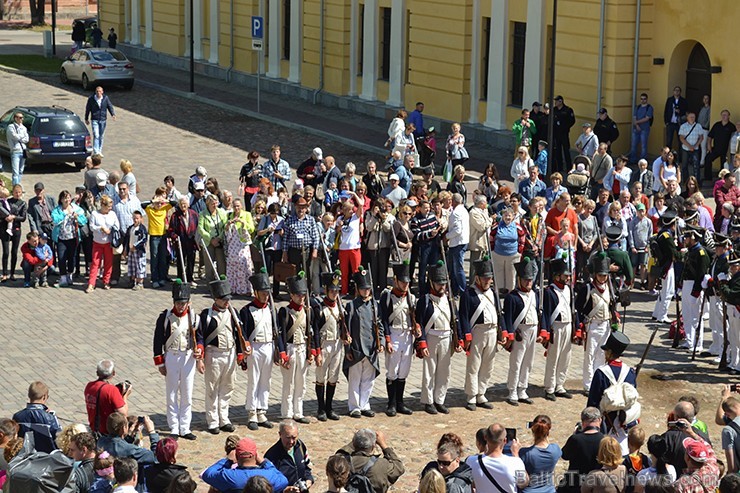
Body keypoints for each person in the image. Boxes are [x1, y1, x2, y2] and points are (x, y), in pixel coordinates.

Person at [197, 277, 246, 434]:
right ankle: (212, 421)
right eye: (223, 299)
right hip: (214, 354)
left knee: (228, 387)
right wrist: (200, 358)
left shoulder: (233, 313)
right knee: (212, 388)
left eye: (228, 299)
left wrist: (241, 353)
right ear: (216, 299)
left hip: (229, 353)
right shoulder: (206, 315)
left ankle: (224, 418)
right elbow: (200, 337)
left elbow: (239, 334)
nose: (227, 302)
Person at [153, 280, 201, 440]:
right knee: (172, 393)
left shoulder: (194, 317)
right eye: (178, 303)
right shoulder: (165, 317)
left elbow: (199, 338)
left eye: (183, 303)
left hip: (188, 357)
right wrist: (160, 362)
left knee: (187, 393)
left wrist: (199, 349)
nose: (180, 306)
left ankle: (185, 427)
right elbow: (157, 340)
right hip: (171, 356)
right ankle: (174, 426)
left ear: (188, 302)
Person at [415, 261, 459, 414]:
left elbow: (455, 320)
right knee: (430, 371)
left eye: (444, 284)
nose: (442, 287)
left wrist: (458, 340)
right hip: (431, 337)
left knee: (444, 372)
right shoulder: (424, 301)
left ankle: (439, 400)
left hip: (447, 337)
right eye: (439, 284)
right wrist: (422, 343)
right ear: (432, 283)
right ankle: (428, 401)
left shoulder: (450, 300)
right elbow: (419, 323)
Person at [587, 332, 638, 455]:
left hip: (605, 421)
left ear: (609, 352)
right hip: (624, 420)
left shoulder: (601, 372)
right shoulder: (630, 372)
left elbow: (593, 402)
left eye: (606, 351)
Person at [378, 261, 417, 417]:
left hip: (407, 335)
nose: (405, 284)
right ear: (395, 280)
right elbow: (384, 319)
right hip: (393, 334)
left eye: (407, 282)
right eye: (403, 281)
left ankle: (400, 402)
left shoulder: (411, 298)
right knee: (392, 370)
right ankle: (391, 403)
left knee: (404, 370)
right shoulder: (387, 296)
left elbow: (414, 317)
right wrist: (386, 339)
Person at [343, 267, 383, 417]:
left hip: (371, 348)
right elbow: (345, 330)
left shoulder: (374, 305)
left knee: (368, 379)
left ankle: (365, 404)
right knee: (355, 379)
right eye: (362, 289)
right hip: (357, 349)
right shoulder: (351, 305)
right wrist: (348, 350)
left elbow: (379, 326)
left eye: (367, 289)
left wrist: (382, 343)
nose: (365, 292)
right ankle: (354, 406)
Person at [459, 256, 497, 411]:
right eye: (484, 278)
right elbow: (464, 316)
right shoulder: (468, 294)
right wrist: (467, 335)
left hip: (492, 331)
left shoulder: (492, 293)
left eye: (489, 278)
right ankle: (471, 395)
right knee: (474, 365)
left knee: (488, 365)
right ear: (477, 278)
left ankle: (481, 393)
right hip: (477, 332)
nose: (487, 281)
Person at [502, 258, 541, 406]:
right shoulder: (512, 297)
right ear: (519, 280)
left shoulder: (535, 295)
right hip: (520, 330)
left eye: (530, 280)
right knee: (516, 362)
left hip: (533, 328)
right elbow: (508, 317)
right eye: (525, 280)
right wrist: (510, 333)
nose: (528, 283)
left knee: (528, 362)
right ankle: (512, 390)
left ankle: (522, 389)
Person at [276, 272, 312, 423]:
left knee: (301, 382)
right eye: (298, 295)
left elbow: (310, 332)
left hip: (302, 348)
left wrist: (312, 351)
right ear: (292, 295)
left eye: (303, 295)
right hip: (290, 348)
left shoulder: (307, 311)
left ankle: (299, 411)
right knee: (288, 383)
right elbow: (281, 334)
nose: (301, 298)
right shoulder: (284, 312)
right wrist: (283, 353)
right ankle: (287, 412)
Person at [311, 270, 346, 422]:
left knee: (333, 377)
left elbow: (343, 325)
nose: (334, 294)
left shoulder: (340, 306)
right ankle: (320, 408)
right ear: (326, 290)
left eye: (337, 291)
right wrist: (317, 351)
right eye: (332, 291)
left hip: (337, 344)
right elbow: (316, 331)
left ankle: (329, 407)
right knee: (321, 377)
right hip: (324, 345)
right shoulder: (320, 308)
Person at [576, 253, 613, 392]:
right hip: (592, 325)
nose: (603, 278)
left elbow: (611, 305)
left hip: (605, 325)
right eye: (600, 275)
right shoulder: (587, 288)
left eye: (605, 275)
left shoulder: (610, 287)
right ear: (595, 274)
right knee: (589, 356)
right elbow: (579, 308)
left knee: (601, 356)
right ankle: (588, 385)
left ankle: (598, 383)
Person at [202, 437, 289, 493]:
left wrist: (228, 460)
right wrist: (264, 462)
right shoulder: (269, 475)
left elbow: (207, 474)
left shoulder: (228, 475)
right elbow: (284, 481)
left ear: (236, 456)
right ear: (255, 455)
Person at [541, 258, 574, 401]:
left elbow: (574, 310)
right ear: (557, 276)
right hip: (556, 327)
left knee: (565, 357)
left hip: (568, 325)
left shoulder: (568, 290)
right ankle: (549, 387)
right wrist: (546, 331)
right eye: (564, 275)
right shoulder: (549, 292)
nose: (567, 278)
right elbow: (547, 313)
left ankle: (560, 385)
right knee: (553, 358)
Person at [336, 429, 405, 493]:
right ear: (373, 446)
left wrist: (357, 439)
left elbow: (337, 455)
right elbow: (399, 467)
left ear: (354, 443)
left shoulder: (341, 462)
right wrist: (383, 445)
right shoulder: (382, 465)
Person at [465, 424, 528, 493]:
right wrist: (515, 454)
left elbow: (469, 485)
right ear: (505, 441)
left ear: (485, 437)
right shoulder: (515, 462)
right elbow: (522, 484)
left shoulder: (471, 461)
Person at [679, 225, 710, 351]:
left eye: (687, 237)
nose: (685, 239)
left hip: (694, 286)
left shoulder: (701, 253)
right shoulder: (691, 251)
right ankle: (689, 340)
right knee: (686, 315)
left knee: (696, 316)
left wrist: (696, 292)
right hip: (687, 284)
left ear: (693, 237)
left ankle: (698, 343)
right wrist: (680, 285)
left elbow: (701, 275)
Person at [12, 381, 61, 453]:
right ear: (44, 397)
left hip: (24, 457)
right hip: (47, 458)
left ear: (29, 395)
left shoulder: (17, 417)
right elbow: (59, 440)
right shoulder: (50, 418)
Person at [264, 421, 315, 491]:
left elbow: (306, 466)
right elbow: (267, 484)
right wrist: (285, 490)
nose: (291, 442)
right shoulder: (271, 456)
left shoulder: (300, 446)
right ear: (280, 434)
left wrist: (309, 479)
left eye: (294, 438)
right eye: (288, 438)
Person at [84, 360, 129, 435]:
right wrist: (125, 396)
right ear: (113, 373)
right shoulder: (111, 390)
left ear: (97, 373)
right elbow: (123, 414)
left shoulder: (89, 386)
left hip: (94, 430)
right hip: (109, 433)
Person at [519, 415, 561, 493]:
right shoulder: (555, 449)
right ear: (549, 429)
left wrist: (515, 454)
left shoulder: (524, 453)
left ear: (533, 429)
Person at [86, 195, 119, 293]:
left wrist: (111, 230)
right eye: (108, 206)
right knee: (95, 263)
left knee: (108, 263)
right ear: (103, 205)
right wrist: (100, 228)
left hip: (108, 243)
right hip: (97, 242)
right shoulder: (95, 214)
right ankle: (91, 284)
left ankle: (106, 281)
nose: (110, 209)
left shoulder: (112, 214)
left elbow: (117, 225)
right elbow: (91, 227)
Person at [85, 87, 116, 157]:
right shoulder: (91, 99)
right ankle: (96, 151)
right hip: (94, 119)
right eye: (97, 92)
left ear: (102, 92)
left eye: (100, 91)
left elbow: (109, 106)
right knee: (96, 135)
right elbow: (88, 109)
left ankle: (99, 150)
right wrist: (86, 118)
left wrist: (113, 114)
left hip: (103, 119)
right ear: (95, 92)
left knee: (101, 136)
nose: (98, 93)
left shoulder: (105, 98)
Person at [552, 95, 576, 173]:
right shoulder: (554, 110)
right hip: (556, 133)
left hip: (564, 133)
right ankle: (560, 167)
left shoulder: (568, 110)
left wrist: (565, 127)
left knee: (566, 150)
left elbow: (572, 121)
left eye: (556, 101)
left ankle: (569, 167)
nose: (555, 103)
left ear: (561, 101)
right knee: (557, 151)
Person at [679, 112, 704, 184]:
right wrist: (689, 146)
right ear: (687, 118)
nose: (692, 118)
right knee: (684, 165)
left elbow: (701, 137)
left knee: (696, 166)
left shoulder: (698, 126)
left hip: (695, 149)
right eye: (690, 117)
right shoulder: (683, 126)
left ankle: (697, 182)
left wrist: (695, 146)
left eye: (693, 117)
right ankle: (686, 181)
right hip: (685, 149)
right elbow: (681, 138)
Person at [6, 112, 29, 186]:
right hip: (15, 151)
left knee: (21, 170)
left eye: (22, 117)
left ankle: (18, 185)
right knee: (15, 171)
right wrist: (22, 136)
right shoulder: (11, 127)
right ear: (15, 118)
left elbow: (27, 139)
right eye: (20, 117)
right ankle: (15, 187)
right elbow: (14, 137)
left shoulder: (24, 128)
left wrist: (20, 137)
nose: (21, 119)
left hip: (23, 150)